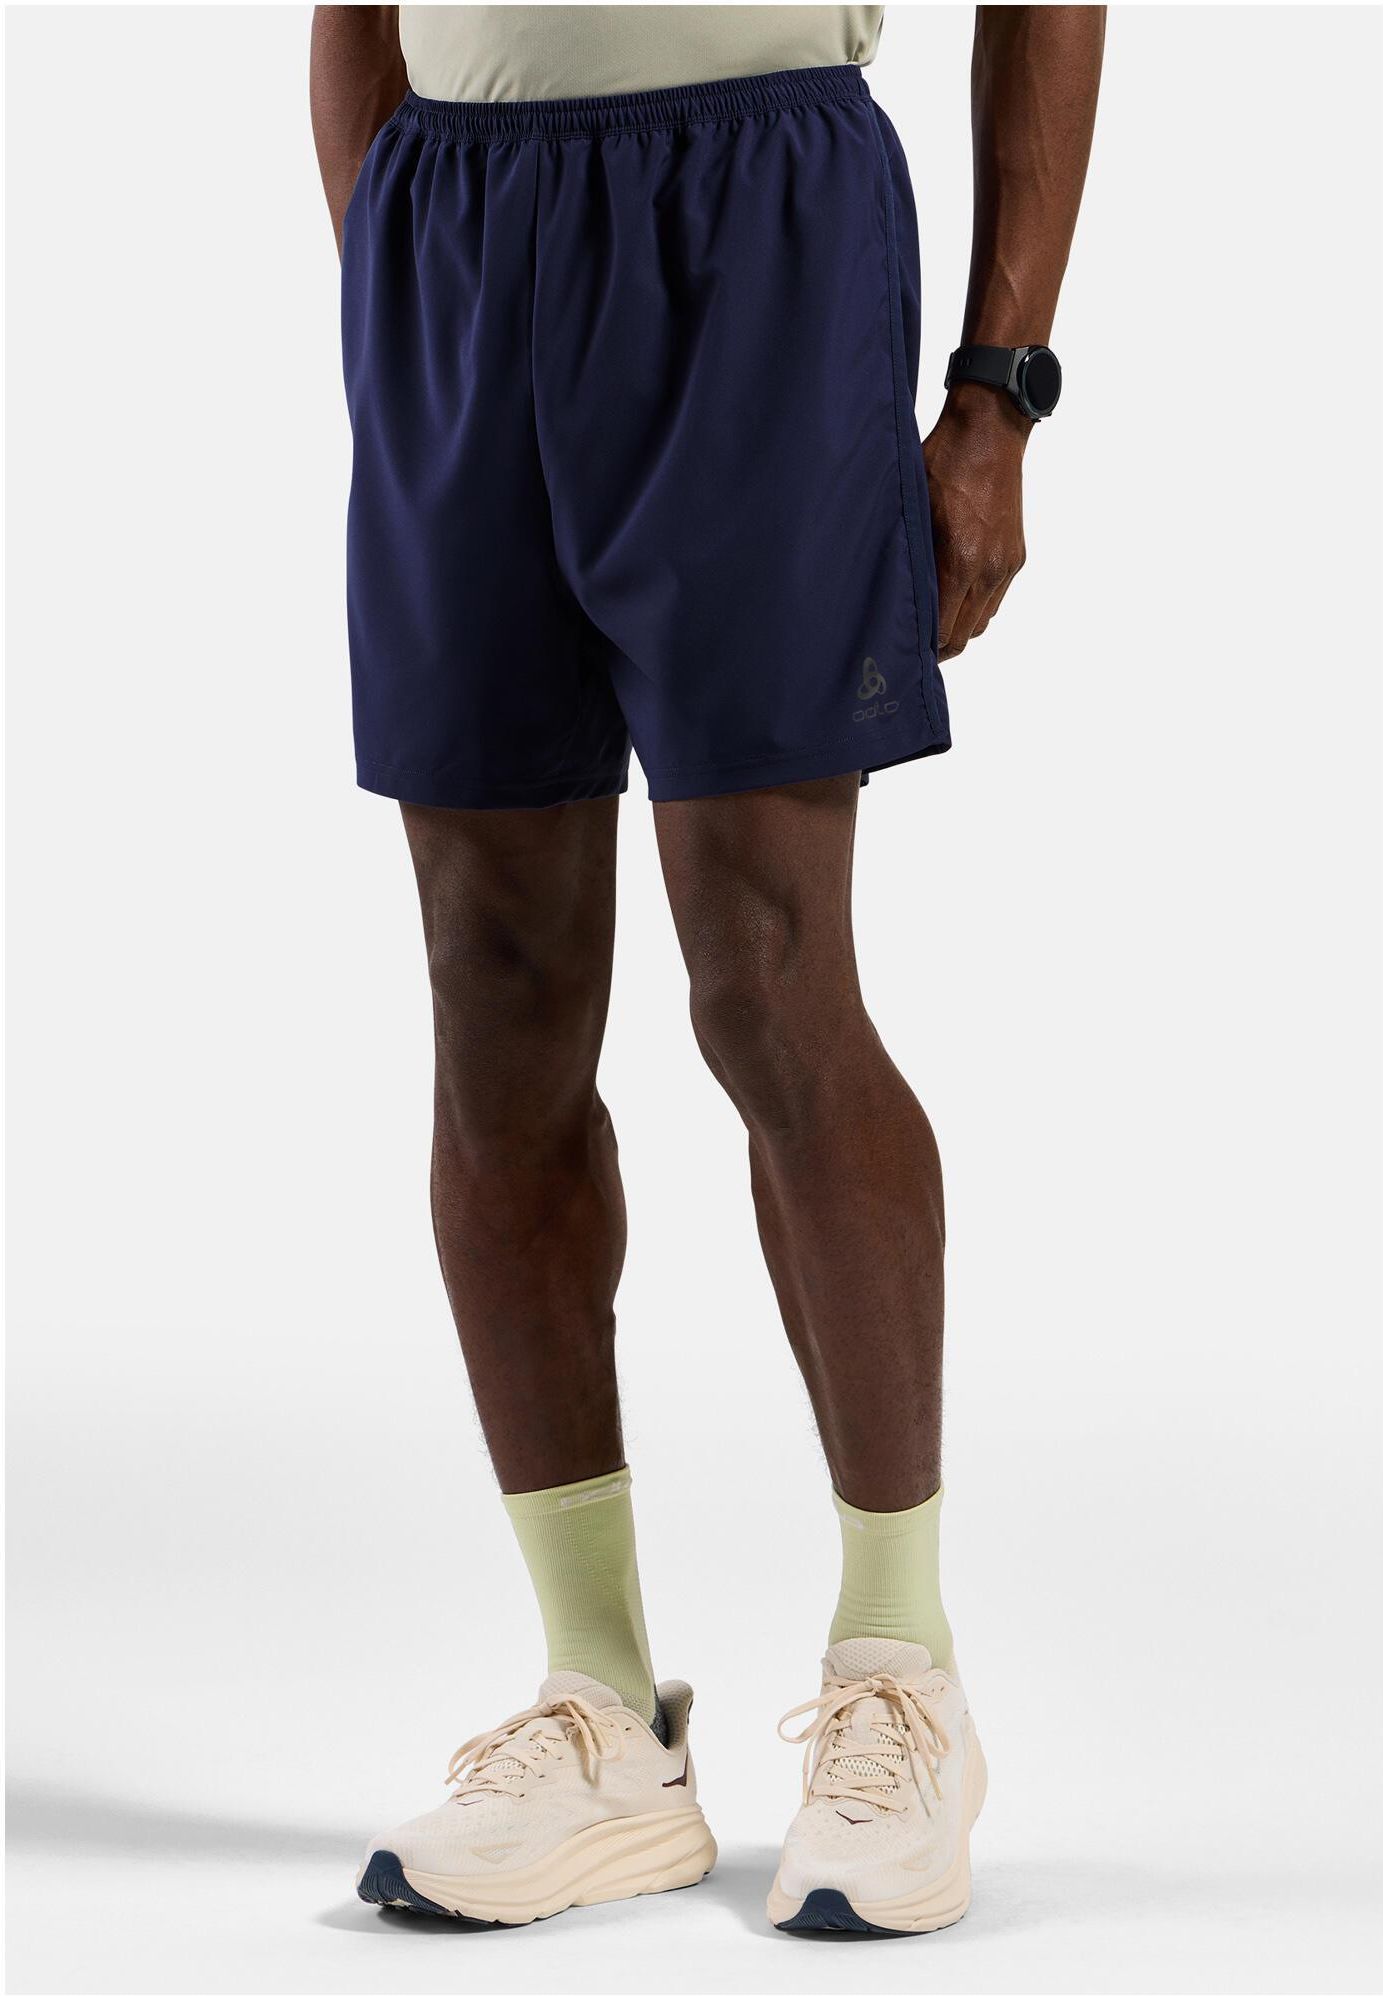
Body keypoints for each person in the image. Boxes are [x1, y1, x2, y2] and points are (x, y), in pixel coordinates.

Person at [311, 2, 1103, 1938]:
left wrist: (996, 388)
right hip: (455, 235)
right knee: (491, 988)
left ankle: (899, 1671)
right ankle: (603, 1711)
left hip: (757, 222)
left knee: (762, 965)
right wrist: (398, 304)